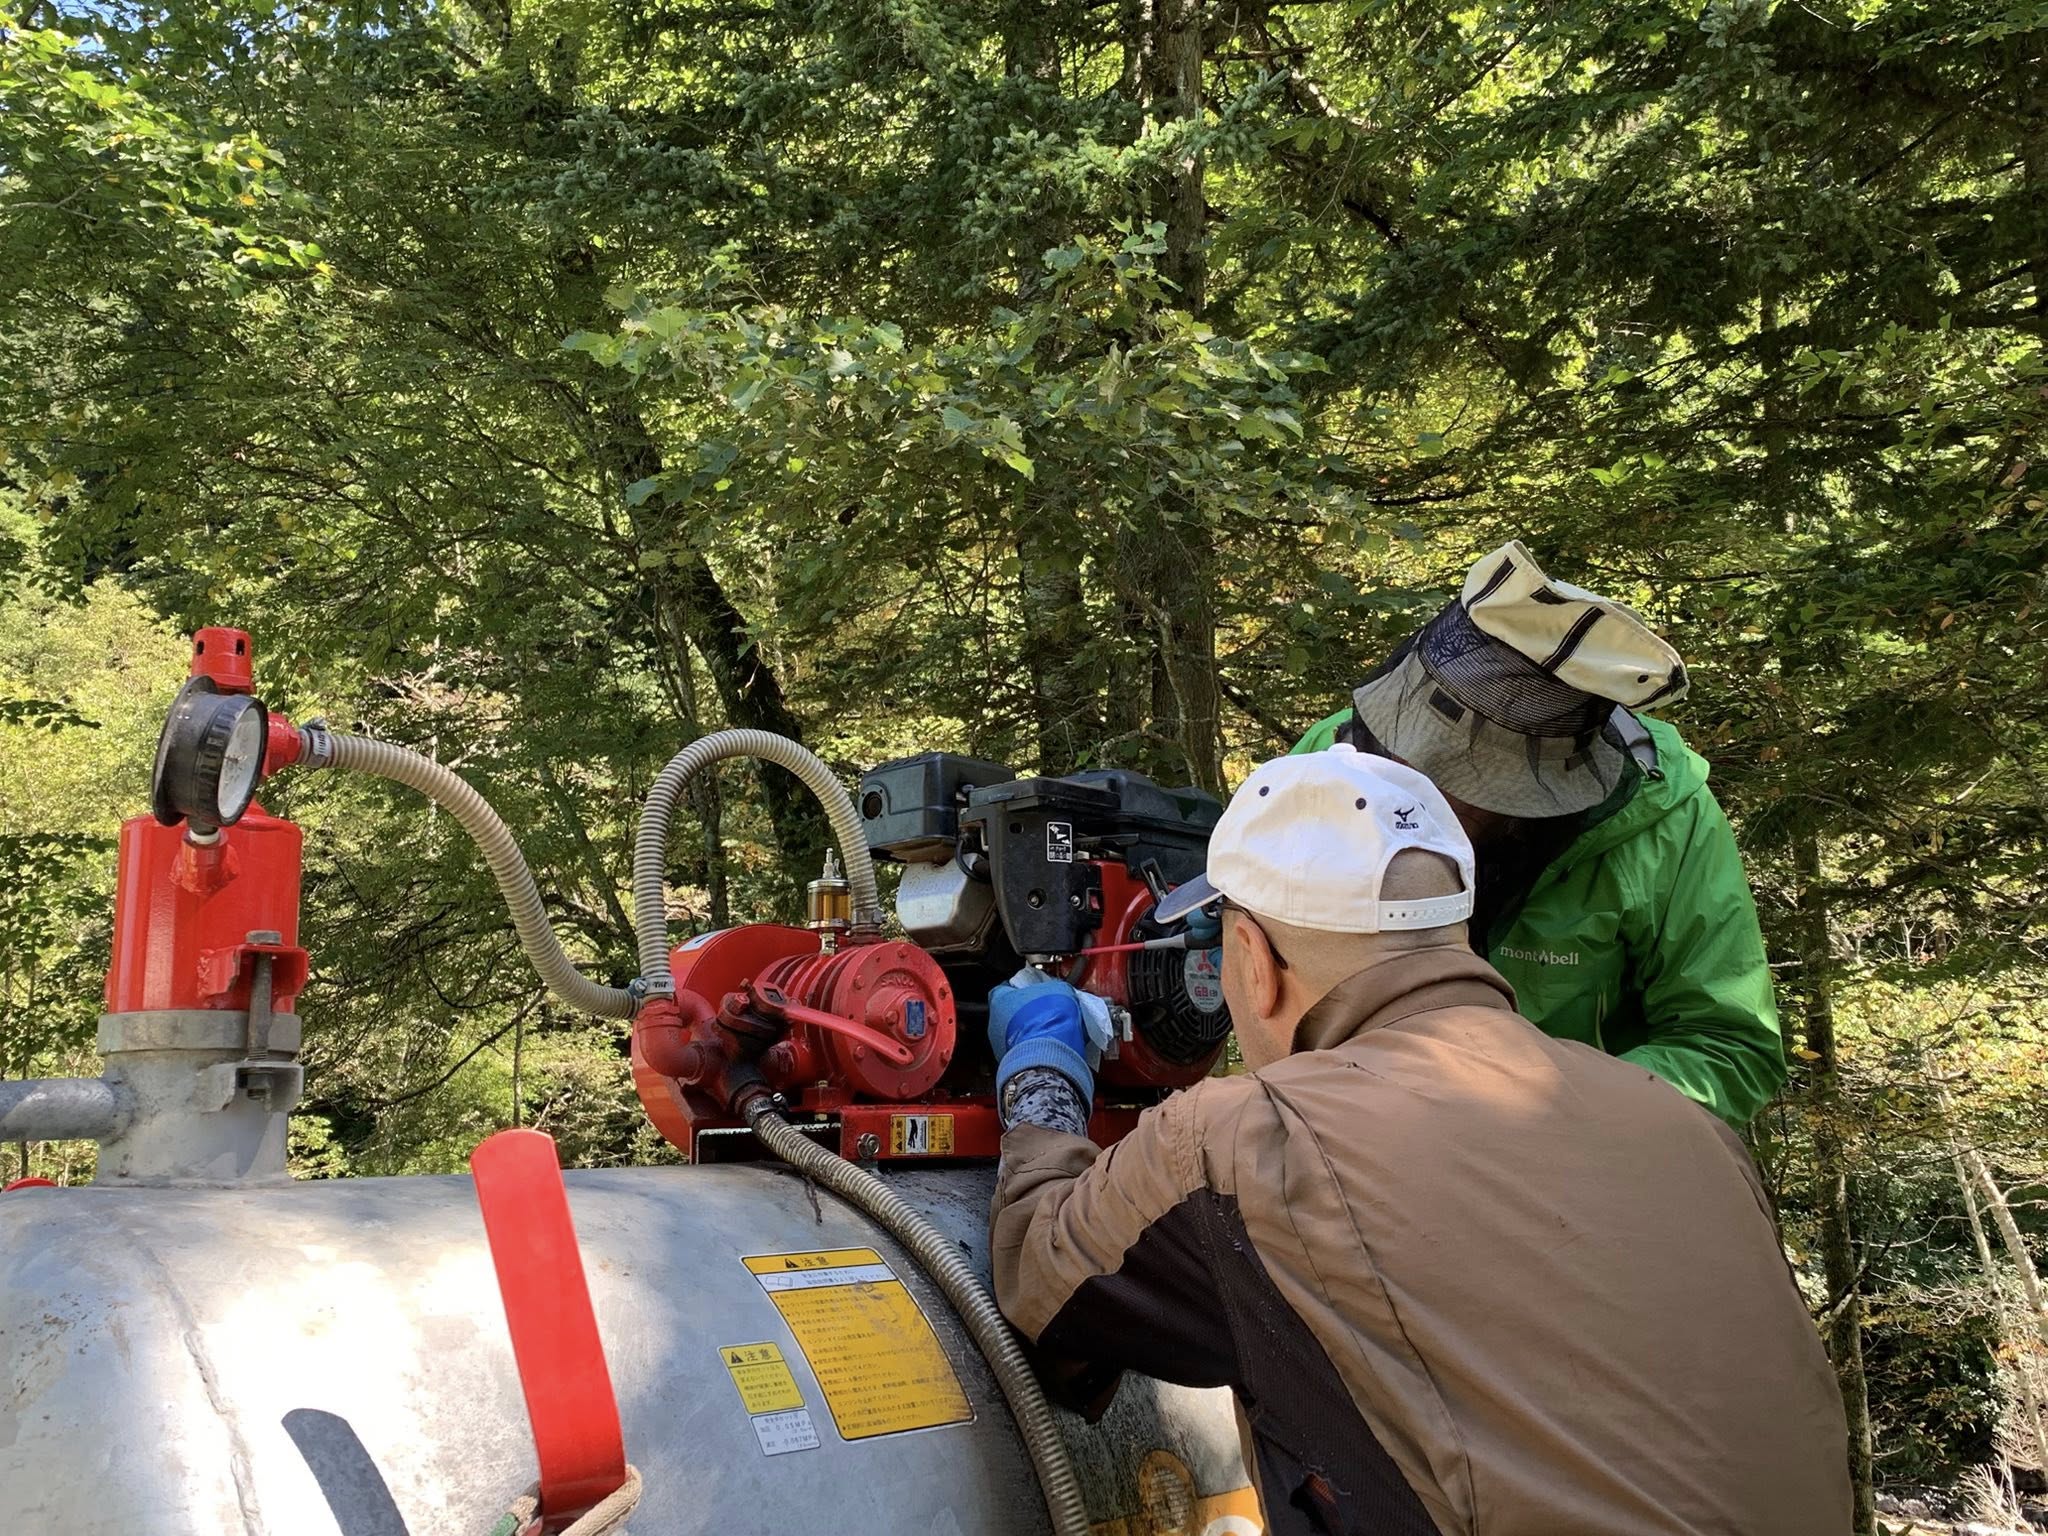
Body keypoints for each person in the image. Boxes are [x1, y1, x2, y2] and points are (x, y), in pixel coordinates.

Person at [987, 746, 1851, 1536]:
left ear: (1252, 958)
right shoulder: (1688, 1123)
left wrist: (1043, 1065)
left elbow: (1044, 1283)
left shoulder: (1241, 1137)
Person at [1292, 540, 1783, 1126]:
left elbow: (1729, 1047)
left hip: (1574, 1160)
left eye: (1473, 783)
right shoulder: (1327, 756)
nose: (1431, 802)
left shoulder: (1666, 820)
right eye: (1418, 764)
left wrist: (1545, 1115)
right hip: (1346, 1132)